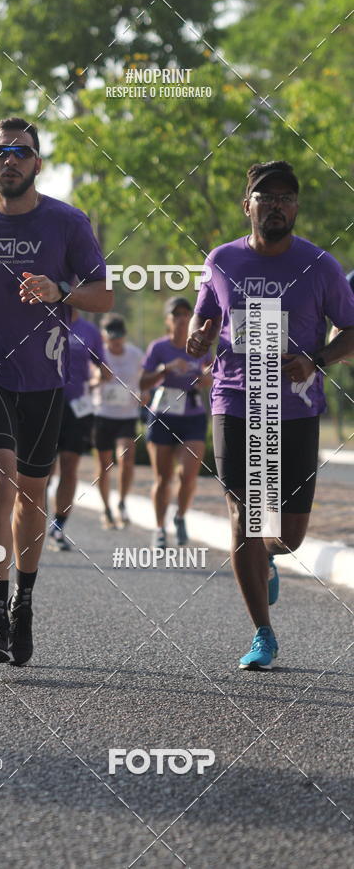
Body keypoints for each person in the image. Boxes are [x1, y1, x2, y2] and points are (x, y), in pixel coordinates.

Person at [0, 116, 112, 667]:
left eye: (21, 151)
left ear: (38, 162)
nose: (10, 159)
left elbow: (102, 297)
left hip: (44, 377)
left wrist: (60, 288)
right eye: (0, 152)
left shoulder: (66, 222)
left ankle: (24, 603)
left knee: (31, 496)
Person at [187, 160, 354, 670]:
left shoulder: (320, 265)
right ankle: (263, 632)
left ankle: (271, 556)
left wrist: (318, 360)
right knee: (244, 513)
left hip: (297, 407)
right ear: (248, 205)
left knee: (291, 533)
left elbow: (350, 330)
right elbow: (205, 315)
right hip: (236, 400)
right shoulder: (222, 260)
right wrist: (198, 335)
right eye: (266, 196)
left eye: (286, 196)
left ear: (296, 207)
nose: (276, 204)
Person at [140, 297, 212, 548]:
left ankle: (180, 516)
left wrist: (206, 377)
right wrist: (165, 369)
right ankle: (159, 529)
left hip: (192, 415)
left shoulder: (201, 347)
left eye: (186, 314)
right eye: (176, 314)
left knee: (188, 475)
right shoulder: (158, 348)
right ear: (167, 320)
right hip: (163, 414)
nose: (181, 318)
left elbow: (211, 374)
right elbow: (143, 383)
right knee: (163, 477)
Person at [48, 308, 110, 551]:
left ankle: (58, 526)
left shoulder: (89, 331)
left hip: (77, 407)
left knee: (70, 465)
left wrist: (96, 380)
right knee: (45, 469)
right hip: (46, 403)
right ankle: (31, 520)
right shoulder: (45, 321)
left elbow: (103, 368)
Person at [92, 314, 144, 529]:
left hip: (126, 415)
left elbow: (145, 379)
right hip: (102, 414)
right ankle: (105, 508)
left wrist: (146, 392)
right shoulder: (97, 354)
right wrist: (98, 377)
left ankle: (122, 502)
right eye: (111, 337)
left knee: (126, 458)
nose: (116, 341)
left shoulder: (135, 354)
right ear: (104, 337)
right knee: (104, 465)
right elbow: (86, 383)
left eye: (119, 337)